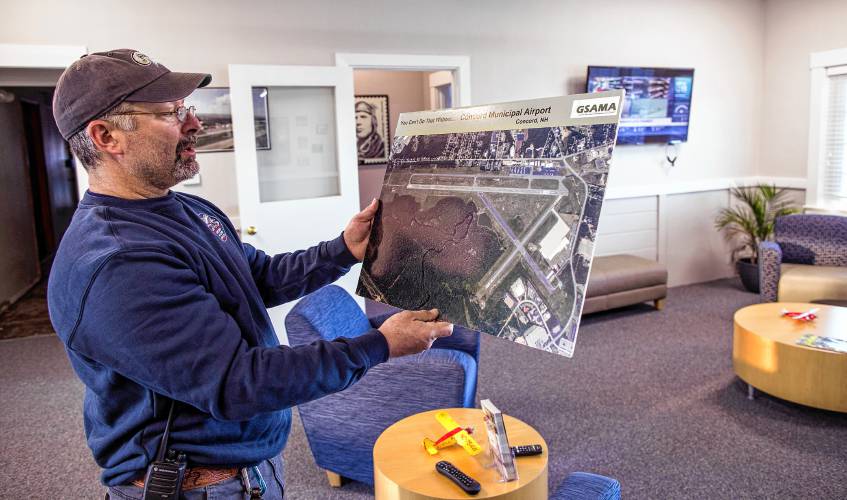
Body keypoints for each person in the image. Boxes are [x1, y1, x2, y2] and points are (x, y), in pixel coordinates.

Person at [47, 49, 452, 499]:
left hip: (247, 468)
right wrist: (379, 345)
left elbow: (256, 276)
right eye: (170, 113)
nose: (193, 124)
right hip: (196, 488)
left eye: (186, 108)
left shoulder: (183, 207)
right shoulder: (119, 262)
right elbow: (240, 382)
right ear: (106, 137)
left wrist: (343, 250)